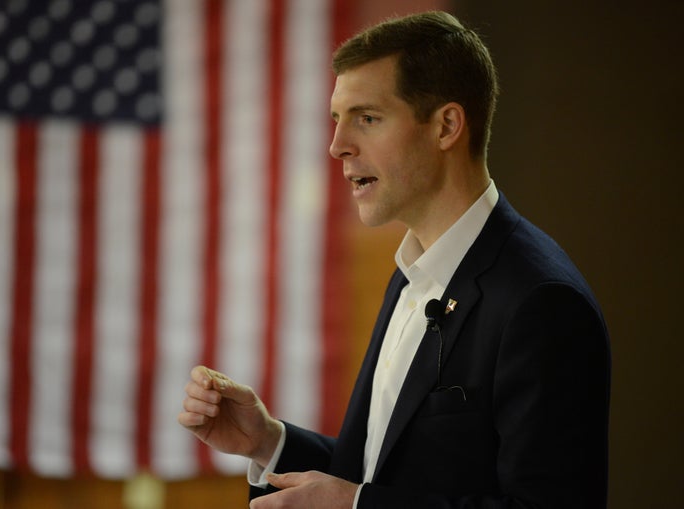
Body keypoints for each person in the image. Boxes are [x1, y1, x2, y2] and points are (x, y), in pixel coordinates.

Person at [178, 11, 610, 509]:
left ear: (446, 125)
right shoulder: (411, 276)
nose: (337, 146)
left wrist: (358, 507)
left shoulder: (542, 302)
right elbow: (383, 470)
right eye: (337, 119)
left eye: (367, 117)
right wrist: (269, 442)